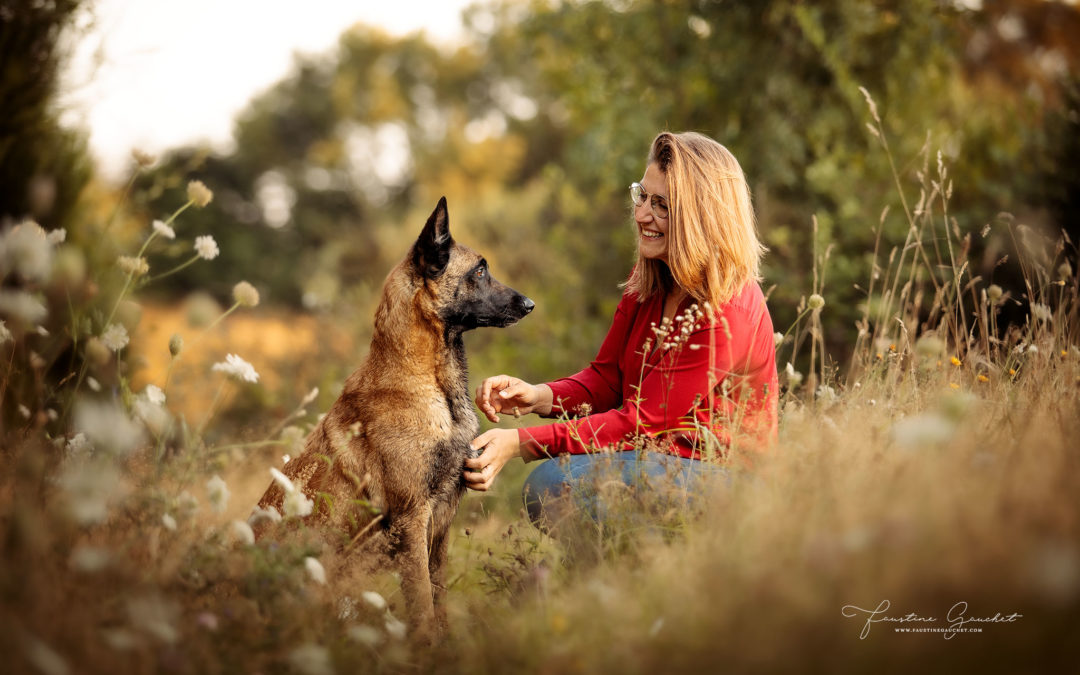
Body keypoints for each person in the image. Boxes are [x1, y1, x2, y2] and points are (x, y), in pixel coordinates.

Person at [464, 131, 778, 526]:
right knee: (557, 484)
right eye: (642, 196)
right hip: (658, 461)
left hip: (725, 481)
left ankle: (658, 574)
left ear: (701, 216)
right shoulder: (650, 279)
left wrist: (520, 442)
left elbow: (640, 422)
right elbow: (607, 378)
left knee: (554, 484)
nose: (643, 214)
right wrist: (537, 397)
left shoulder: (726, 309)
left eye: (661, 205)